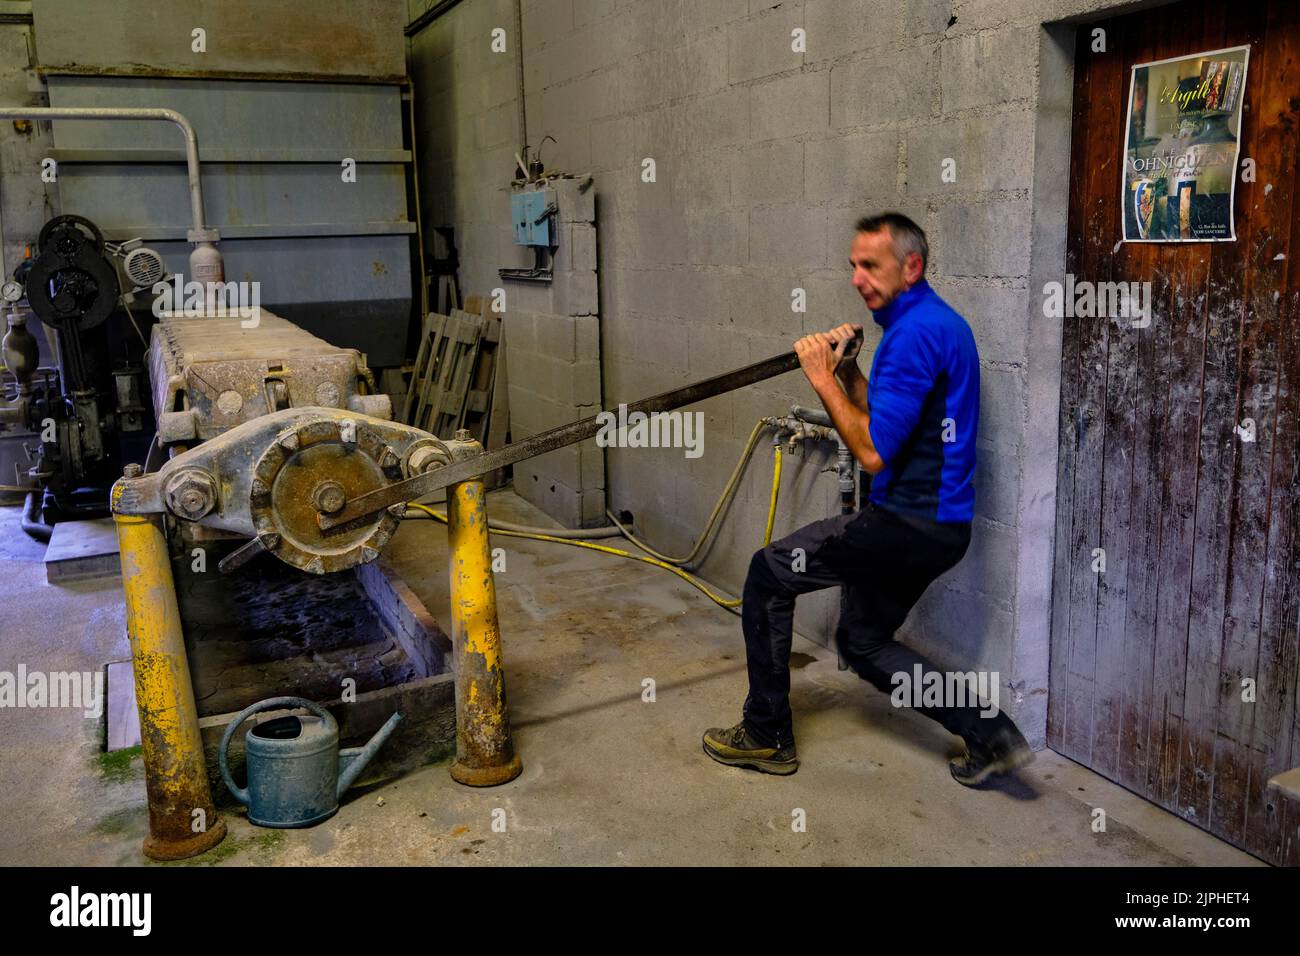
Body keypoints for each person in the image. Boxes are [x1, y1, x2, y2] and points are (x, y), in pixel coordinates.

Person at [702, 212, 1033, 786]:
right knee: (862, 640)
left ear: (912, 265)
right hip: (942, 528)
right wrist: (851, 373)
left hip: (903, 525)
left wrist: (821, 378)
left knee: (769, 572)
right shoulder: (937, 323)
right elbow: (891, 424)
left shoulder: (911, 336)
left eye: (871, 266)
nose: (858, 278)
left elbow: (875, 454)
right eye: (853, 266)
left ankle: (764, 734)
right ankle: (993, 734)